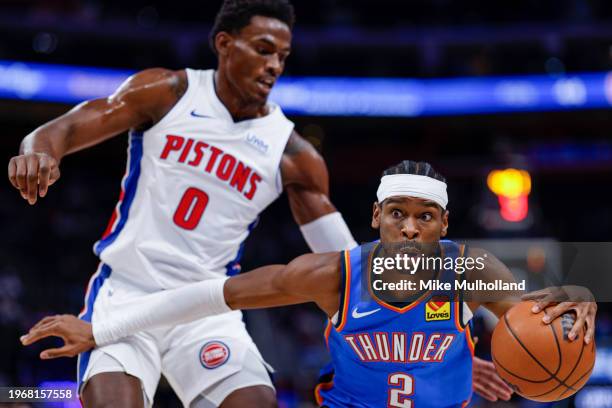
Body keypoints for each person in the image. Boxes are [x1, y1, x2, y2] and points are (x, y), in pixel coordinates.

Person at [21, 160, 597, 406]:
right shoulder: (332, 275)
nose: (410, 227)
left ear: (444, 225)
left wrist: (581, 299)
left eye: (426, 217)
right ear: (375, 216)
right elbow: (215, 294)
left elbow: (540, 312)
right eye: (398, 213)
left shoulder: (469, 270)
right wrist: (104, 327)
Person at [9, 1, 358, 407]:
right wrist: (40, 151)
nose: (274, 65)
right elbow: (66, 127)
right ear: (225, 44)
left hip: (207, 307)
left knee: (257, 402)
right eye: (263, 50)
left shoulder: (293, 154)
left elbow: (346, 261)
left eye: (282, 56)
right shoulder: (168, 92)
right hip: (128, 291)